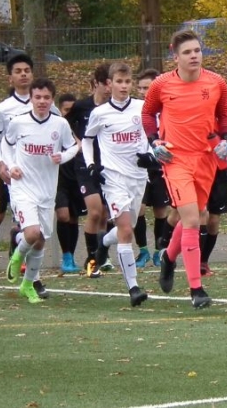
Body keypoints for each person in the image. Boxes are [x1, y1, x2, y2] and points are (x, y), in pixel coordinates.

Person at [142, 29, 227, 309]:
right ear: (176, 57)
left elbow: (225, 115)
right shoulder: (161, 84)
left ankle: (169, 257)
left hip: (205, 159)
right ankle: (196, 288)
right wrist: (154, 141)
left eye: (197, 50)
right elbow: (147, 113)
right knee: (193, 219)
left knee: (196, 214)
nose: (194, 56)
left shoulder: (216, 82)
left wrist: (226, 140)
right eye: (187, 52)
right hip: (175, 159)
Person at [2, 78, 78, 303]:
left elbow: (74, 146)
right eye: (38, 97)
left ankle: (27, 285)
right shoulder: (19, 122)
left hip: (47, 190)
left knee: (41, 240)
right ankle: (17, 256)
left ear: (52, 99)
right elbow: (6, 144)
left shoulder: (59, 124)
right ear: (31, 99)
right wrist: (11, 166)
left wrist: (62, 156)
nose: (42, 101)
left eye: (46, 97)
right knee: (32, 233)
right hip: (23, 187)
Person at [82, 63, 150, 306]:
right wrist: (92, 165)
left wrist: (150, 155)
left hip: (138, 177)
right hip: (113, 178)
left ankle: (103, 242)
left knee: (127, 227)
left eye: (127, 82)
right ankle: (133, 288)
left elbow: (151, 135)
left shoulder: (142, 108)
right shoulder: (100, 113)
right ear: (110, 84)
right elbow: (87, 140)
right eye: (119, 82)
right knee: (126, 230)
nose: (123, 86)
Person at [0, 54, 53, 297]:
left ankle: (21, 253)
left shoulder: (45, 103)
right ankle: (33, 279)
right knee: (30, 230)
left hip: (43, 179)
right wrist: (2, 164)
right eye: (18, 71)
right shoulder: (3, 109)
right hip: (17, 178)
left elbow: (60, 132)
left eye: (27, 70)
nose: (23, 74)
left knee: (39, 235)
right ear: (10, 78)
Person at [66, 63, 112, 276]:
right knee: (94, 212)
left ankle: (101, 254)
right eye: (107, 84)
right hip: (85, 164)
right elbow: (65, 124)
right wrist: (77, 142)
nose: (110, 88)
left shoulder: (113, 108)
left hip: (108, 164)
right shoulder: (82, 106)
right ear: (97, 84)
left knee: (104, 214)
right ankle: (91, 259)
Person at [199, 108, 227, 276]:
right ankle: (176, 253)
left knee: (214, 219)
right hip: (198, 166)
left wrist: (225, 143)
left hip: (219, 169)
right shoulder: (191, 105)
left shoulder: (223, 107)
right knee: (199, 214)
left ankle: (204, 261)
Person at [136, 69, 172, 267]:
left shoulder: (167, 109)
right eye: (140, 88)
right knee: (138, 210)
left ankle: (159, 251)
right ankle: (142, 251)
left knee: (160, 211)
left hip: (160, 167)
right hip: (139, 167)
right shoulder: (134, 110)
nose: (143, 92)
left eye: (147, 88)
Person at [54, 93, 84, 273]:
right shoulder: (55, 126)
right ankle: (65, 255)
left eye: (72, 110)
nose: (69, 113)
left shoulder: (80, 128)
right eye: (66, 110)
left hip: (77, 176)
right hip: (58, 178)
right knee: (63, 215)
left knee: (73, 217)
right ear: (60, 110)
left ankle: (71, 256)